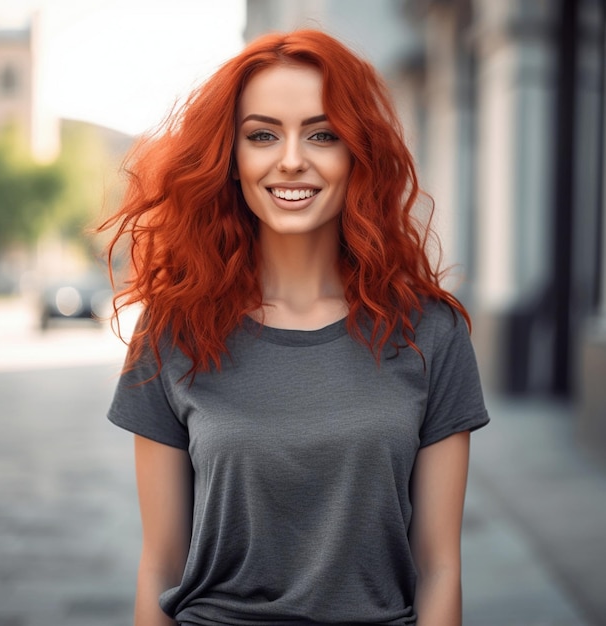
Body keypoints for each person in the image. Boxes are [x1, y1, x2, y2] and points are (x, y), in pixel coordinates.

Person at [99, 28, 489, 626]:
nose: (290, 159)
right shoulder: (175, 331)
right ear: (230, 160)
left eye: (322, 134)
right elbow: (160, 566)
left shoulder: (430, 333)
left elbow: (440, 567)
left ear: (357, 152)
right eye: (261, 135)